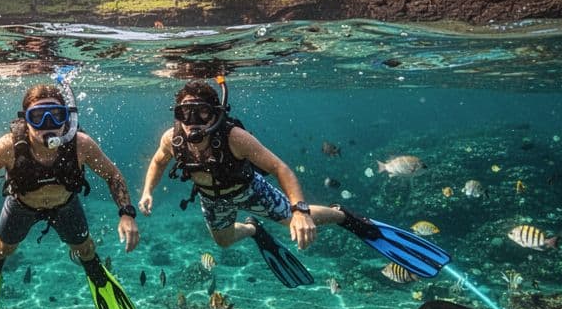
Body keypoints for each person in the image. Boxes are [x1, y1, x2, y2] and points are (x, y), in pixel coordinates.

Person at [138, 77, 449, 286]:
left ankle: (345, 217)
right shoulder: (172, 138)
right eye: (185, 113)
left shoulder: (234, 138)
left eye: (201, 113)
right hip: (211, 198)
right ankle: (253, 229)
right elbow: (158, 161)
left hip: (249, 190)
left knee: (293, 221)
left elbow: (280, 168)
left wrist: (300, 211)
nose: (193, 123)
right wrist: (148, 191)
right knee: (222, 241)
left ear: (215, 114)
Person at [0, 79, 143, 309]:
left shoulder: (80, 145)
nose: (48, 124)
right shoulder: (8, 147)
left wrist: (127, 213)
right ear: (25, 120)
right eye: (38, 116)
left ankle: (95, 273)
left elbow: (113, 175)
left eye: (56, 115)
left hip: (65, 206)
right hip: (21, 206)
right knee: (2, 248)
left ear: (67, 120)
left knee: (85, 248)